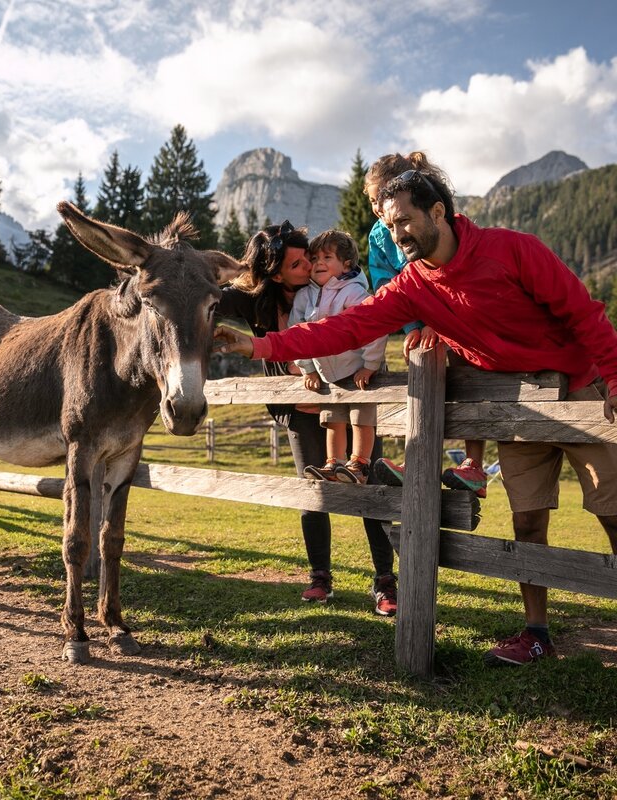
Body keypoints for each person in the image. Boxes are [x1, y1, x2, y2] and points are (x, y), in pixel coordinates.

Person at [215, 169, 617, 665]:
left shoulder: (514, 249)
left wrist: (614, 379)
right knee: (528, 521)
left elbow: (584, 312)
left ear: (437, 212)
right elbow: (342, 329)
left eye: (404, 220)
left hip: (580, 389)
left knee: (612, 511)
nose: (396, 233)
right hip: (518, 407)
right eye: (388, 224)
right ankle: (537, 634)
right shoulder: (411, 287)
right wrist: (260, 345)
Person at [217, 221, 398, 613]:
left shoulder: (336, 290)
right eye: (299, 262)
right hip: (300, 410)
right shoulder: (260, 300)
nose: (309, 265)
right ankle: (320, 577)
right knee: (312, 491)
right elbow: (215, 299)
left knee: (371, 485)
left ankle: (385, 579)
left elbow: (366, 323)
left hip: (351, 398)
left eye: (313, 258)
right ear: (275, 271)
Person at [364, 152, 488, 498]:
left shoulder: (437, 218)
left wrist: (440, 323)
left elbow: (451, 274)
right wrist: (413, 327)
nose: (378, 208)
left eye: (380, 198)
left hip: (458, 319)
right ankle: (418, 458)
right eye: (373, 201)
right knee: (422, 380)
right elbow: (386, 282)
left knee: (468, 382)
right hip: (421, 322)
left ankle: (474, 465)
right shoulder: (379, 235)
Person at [290, 230, 387, 484]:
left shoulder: (353, 293)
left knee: (360, 418)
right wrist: (307, 368)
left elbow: (374, 328)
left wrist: (370, 365)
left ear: (346, 265)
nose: (319, 262)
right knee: (333, 420)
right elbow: (296, 334)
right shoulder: (305, 297)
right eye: (315, 257)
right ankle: (334, 463)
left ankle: (360, 465)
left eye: (327, 257)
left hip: (357, 372)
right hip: (328, 375)